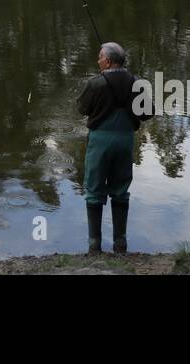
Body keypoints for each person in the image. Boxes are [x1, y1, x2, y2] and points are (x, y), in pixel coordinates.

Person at [76, 42, 144, 253]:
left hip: (100, 142)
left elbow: (81, 108)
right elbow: (147, 113)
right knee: (121, 190)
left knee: (94, 191)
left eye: (99, 57)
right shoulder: (137, 83)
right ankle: (120, 243)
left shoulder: (96, 83)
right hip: (125, 141)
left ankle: (94, 245)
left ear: (107, 61)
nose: (98, 61)